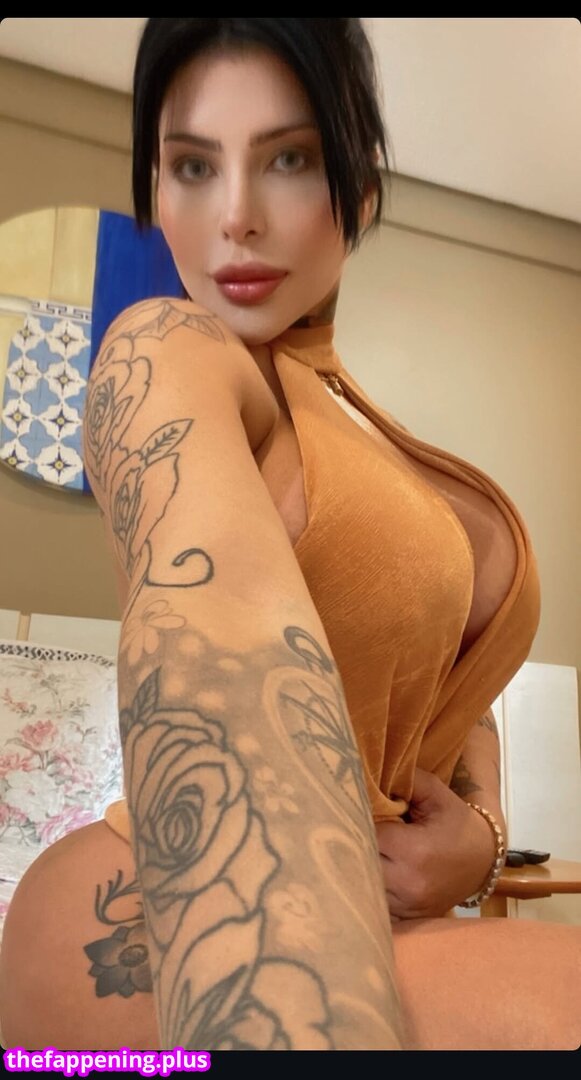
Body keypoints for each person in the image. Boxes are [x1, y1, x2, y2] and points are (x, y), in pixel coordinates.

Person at [0, 18, 579, 1052]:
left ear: (358, 188)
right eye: (191, 166)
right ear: (155, 191)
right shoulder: (166, 350)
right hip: (160, 922)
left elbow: (454, 700)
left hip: (393, 920)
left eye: (288, 159)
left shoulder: (369, 431)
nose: (235, 216)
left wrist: (480, 840)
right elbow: (212, 642)